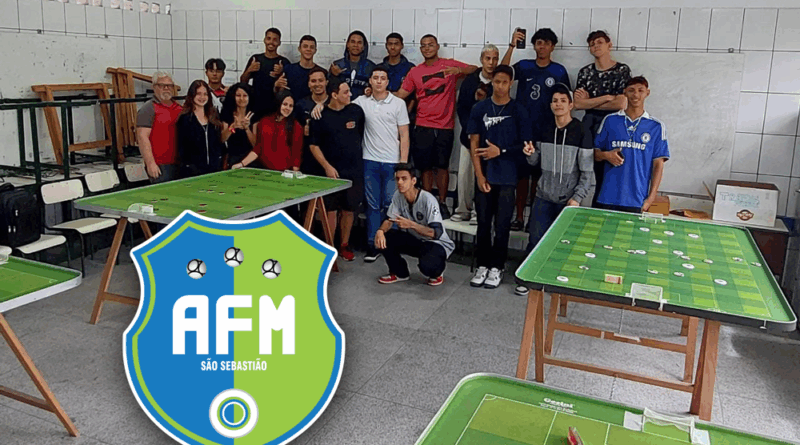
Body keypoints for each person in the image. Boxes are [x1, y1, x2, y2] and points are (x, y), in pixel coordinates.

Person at [515, 84, 594, 296]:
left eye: (562, 100)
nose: (558, 104)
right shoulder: (544, 128)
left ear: (571, 105)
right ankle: (529, 279)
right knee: (536, 239)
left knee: (565, 244)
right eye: (555, 101)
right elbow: (535, 162)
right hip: (543, 196)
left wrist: (577, 198)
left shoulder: (581, 130)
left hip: (569, 200)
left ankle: (559, 282)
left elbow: (587, 173)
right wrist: (529, 154)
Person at [394, 34, 479, 219]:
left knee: (442, 166)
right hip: (422, 125)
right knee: (424, 168)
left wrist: (458, 70)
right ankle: (427, 203)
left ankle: (441, 203)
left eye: (430, 45)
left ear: (437, 46)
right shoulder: (415, 72)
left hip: (445, 126)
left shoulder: (448, 64)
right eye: (423, 46)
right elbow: (401, 94)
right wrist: (377, 93)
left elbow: (475, 70)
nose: (427, 48)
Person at [467, 65, 533, 290]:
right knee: (483, 223)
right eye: (497, 82)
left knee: (502, 224)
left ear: (511, 84)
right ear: (491, 83)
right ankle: (482, 265)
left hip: (507, 176)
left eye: (505, 82)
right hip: (485, 175)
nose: (501, 86)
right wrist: (478, 174)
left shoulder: (519, 111)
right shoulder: (479, 108)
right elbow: (473, 143)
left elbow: (525, 146)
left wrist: (501, 151)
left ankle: (497, 266)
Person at [503, 28, 571, 232]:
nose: (542, 47)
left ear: (552, 46)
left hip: (547, 131)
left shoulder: (559, 71)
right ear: (534, 45)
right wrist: (512, 45)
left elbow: (566, 100)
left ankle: (534, 217)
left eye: (546, 43)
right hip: (523, 129)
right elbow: (501, 72)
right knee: (522, 176)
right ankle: (519, 217)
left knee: (539, 176)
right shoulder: (524, 66)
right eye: (538, 43)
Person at [355, 66, 410, 263]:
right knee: (372, 205)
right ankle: (373, 244)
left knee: (391, 204)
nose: (379, 81)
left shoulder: (398, 104)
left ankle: (391, 244)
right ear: (370, 81)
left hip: (392, 162)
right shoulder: (361, 102)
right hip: (369, 159)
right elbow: (340, 106)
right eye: (375, 77)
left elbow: (404, 134)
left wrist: (403, 164)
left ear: (388, 82)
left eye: (383, 78)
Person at [309, 78, 366, 261]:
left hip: (354, 170)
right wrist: (327, 166)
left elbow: (361, 135)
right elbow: (313, 145)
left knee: (349, 209)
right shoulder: (320, 116)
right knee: (330, 210)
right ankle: (329, 246)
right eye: (345, 92)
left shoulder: (356, 111)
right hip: (330, 172)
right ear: (334, 95)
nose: (350, 95)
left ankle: (344, 245)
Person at [594, 76, 668, 213]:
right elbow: (594, 154)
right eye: (631, 90)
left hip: (637, 200)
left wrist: (651, 198)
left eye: (640, 90)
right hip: (607, 197)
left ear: (647, 93)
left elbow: (658, 164)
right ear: (625, 93)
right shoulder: (610, 120)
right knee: (605, 234)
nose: (636, 95)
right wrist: (606, 155)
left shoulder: (656, 126)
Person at [574, 30, 631, 207]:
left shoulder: (621, 70)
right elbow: (577, 104)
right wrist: (607, 98)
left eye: (599, 42)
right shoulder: (585, 73)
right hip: (590, 126)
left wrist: (590, 102)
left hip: (614, 126)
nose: (595, 46)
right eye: (592, 44)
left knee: (612, 170)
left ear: (609, 44)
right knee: (588, 169)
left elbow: (621, 103)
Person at [375, 163, 454, 286]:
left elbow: (435, 233)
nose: (400, 182)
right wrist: (380, 231)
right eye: (397, 179)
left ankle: (437, 272)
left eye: (404, 179)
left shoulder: (428, 199)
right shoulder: (398, 195)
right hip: (417, 240)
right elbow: (389, 220)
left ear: (413, 181)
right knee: (386, 237)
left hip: (436, 243)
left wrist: (411, 225)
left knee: (428, 266)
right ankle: (400, 273)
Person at [452, 44, 497, 223]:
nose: (491, 62)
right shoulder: (470, 81)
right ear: (481, 59)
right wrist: (470, 130)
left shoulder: (499, 81)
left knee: (484, 175)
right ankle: (463, 209)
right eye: (488, 58)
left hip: (490, 140)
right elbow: (462, 108)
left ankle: (480, 211)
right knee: (464, 174)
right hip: (468, 137)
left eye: (495, 58)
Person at [232, 90, 303, 172]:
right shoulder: (264, 122)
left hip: (285, 173)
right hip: (264, 170)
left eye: (291, 106)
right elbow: (258, 149)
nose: (287, 108)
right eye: (285, 104)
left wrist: (294, 174)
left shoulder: (296, 126)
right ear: (278, 103)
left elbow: (296, 154)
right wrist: (241, 164)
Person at [136, 71, 183, 183]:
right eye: (162, 85)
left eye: (169, 85)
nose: (166, 88)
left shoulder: (179, 108)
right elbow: (142, 137)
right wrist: (150, 163)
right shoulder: (148, 109)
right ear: (154, 87)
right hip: (160, 166)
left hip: (179, 163)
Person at [176, 80, 224, 177]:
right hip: (192, 172)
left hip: (215, 169)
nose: (202, 97)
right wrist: (188, 166)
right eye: (198, 94)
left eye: (205, 94)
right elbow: (182, 147)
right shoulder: (185, 118)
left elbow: (219, 142)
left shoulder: (214, 115)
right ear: (192, 95)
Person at [241, 27, 291, 119]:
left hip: (275, 108)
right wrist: (249, 70)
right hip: (256, 106)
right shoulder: (255, 59)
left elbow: (288, 88)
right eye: (269, 38)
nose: (271, 42)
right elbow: (243, 81)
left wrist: (281, 72)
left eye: (275, 40)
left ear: (279, 43)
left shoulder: (284, 62)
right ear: (264, 40)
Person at [295, 67, 329, 176]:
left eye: (320, 80)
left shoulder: (334, 102)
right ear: (309, 84)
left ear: (326, 82)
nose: (317, 84)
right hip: (308, 159)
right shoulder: (301, 105)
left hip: (331, 157)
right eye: (313, 81)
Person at [220, 83, 257, 169]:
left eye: (245, 96)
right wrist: (232, 127)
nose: (241, 99)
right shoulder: (227, 113)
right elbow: (222, 139)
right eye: (238, 95)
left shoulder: (254, 115)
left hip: (251, 159)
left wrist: (247, 128)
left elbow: (255, 144)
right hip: (233, 157)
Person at [330, 30, 375, 99]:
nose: (355, 45)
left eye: (359, 43)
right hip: (341, 105)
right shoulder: (337, 65)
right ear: (347, 44)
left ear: (363, 47)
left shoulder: (371, 67)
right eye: (353, 42)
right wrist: (334, 76)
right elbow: (329, 88)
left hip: (362, 106)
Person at [283, 35, 321, 101]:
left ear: (315, 50)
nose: (308, 49)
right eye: (305, 46)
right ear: (299, 49)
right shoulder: (288, 69)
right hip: (292, 109)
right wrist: (276, 86)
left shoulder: (321, 72)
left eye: (311, 47)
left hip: (314, 110)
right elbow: (282, 92)